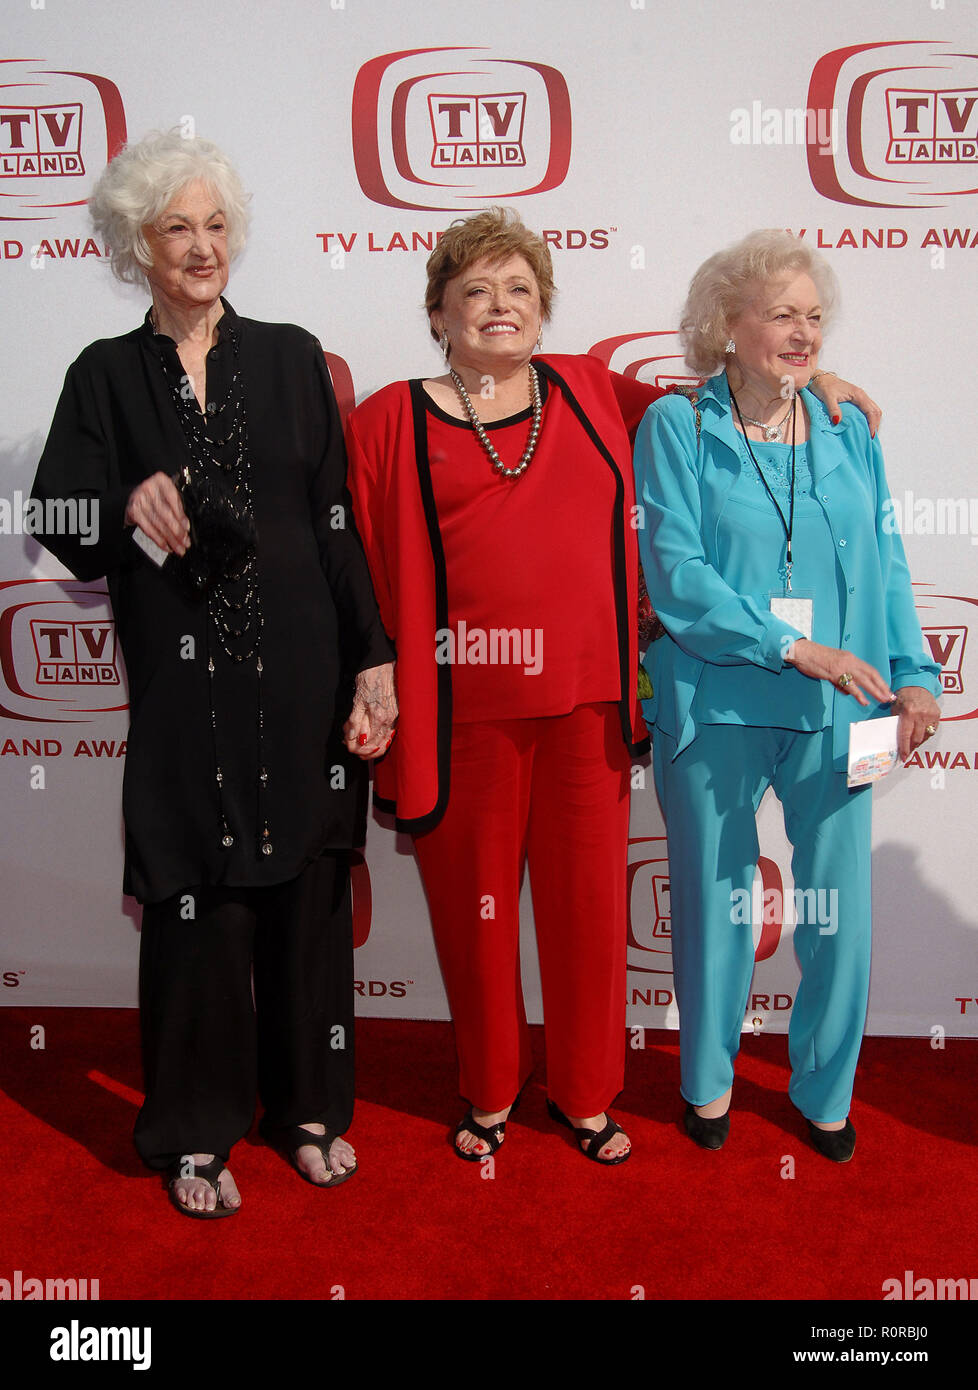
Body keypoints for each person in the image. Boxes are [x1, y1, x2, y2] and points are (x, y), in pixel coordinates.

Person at [344, 207, 877, 1166]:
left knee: (588, 920)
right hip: (461, 716)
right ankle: (491, 1094)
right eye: (476, 291)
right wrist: (372, 668)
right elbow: (349, 558)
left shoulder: (592, 391)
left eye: (519, 290)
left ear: (544, 310)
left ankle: (587, 1098)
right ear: (438, 312)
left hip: (588, 712)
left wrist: (814, 374)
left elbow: (731, 392)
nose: (499, 307)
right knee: (481, 922)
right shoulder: (387, 417)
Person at [31, 131, 396, 1216]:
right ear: (137, 245)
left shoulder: (289, 355)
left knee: (310, 905)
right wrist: (127, 512)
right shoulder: (101, 375)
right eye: (177, 227)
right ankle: (195, 1133)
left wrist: (371, 656)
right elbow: (58, 523)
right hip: (186, 693)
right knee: (196, 908)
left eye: (216, 225)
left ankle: (309, 1112)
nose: (202, 246)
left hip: (303, 673)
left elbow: (336, 525)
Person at [633, 229, 941, 1161]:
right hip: (714, 702)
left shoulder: (849, 427)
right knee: (716, 905)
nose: (803, 333)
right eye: (781, 315)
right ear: (728, 325)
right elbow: (678, 577)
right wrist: (792, 645)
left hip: (842, 708)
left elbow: (885, 560)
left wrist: (918, 673)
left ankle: (827, 1091)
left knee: (838, 912)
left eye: (815, 317)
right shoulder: (677, 427)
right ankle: (709, 1084)